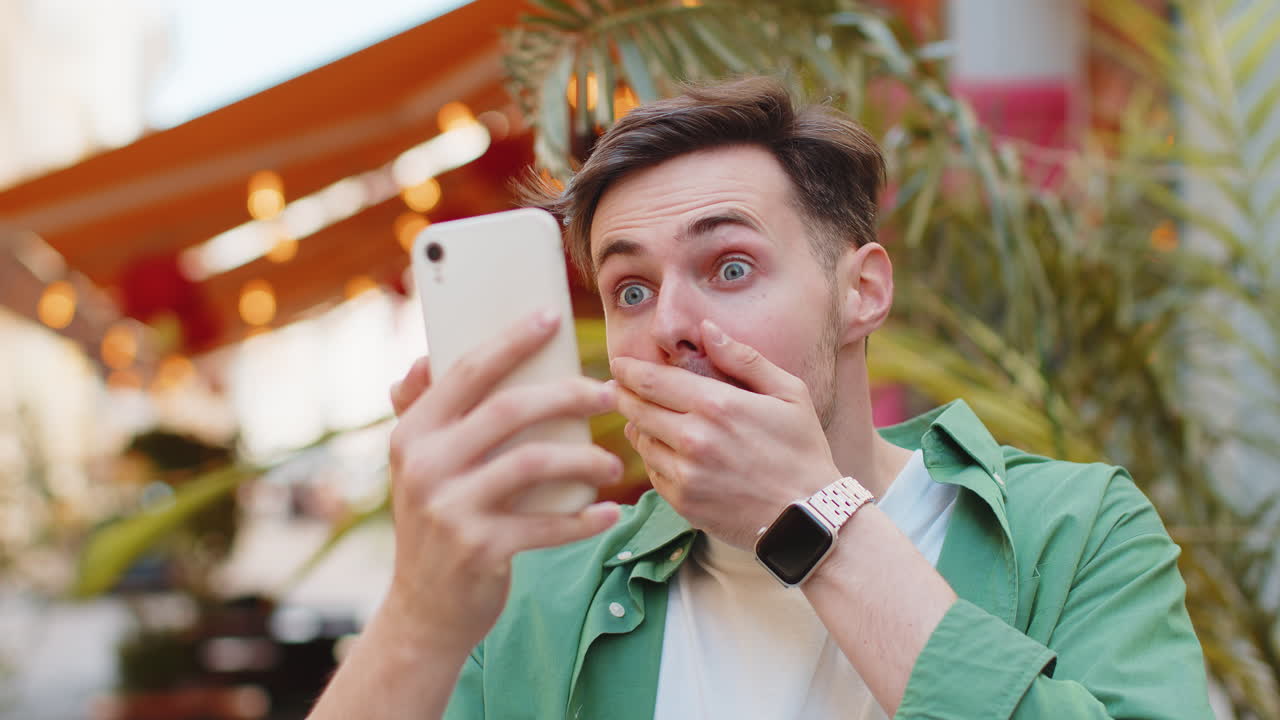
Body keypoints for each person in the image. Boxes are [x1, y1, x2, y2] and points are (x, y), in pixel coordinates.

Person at [308, 76, 1212, 719]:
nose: (671, 323)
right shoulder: (540, 597)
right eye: (630, 289)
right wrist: (420, 615)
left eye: (730, 267)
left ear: (862, 292)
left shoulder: (1078, 529)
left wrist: (814, 517)